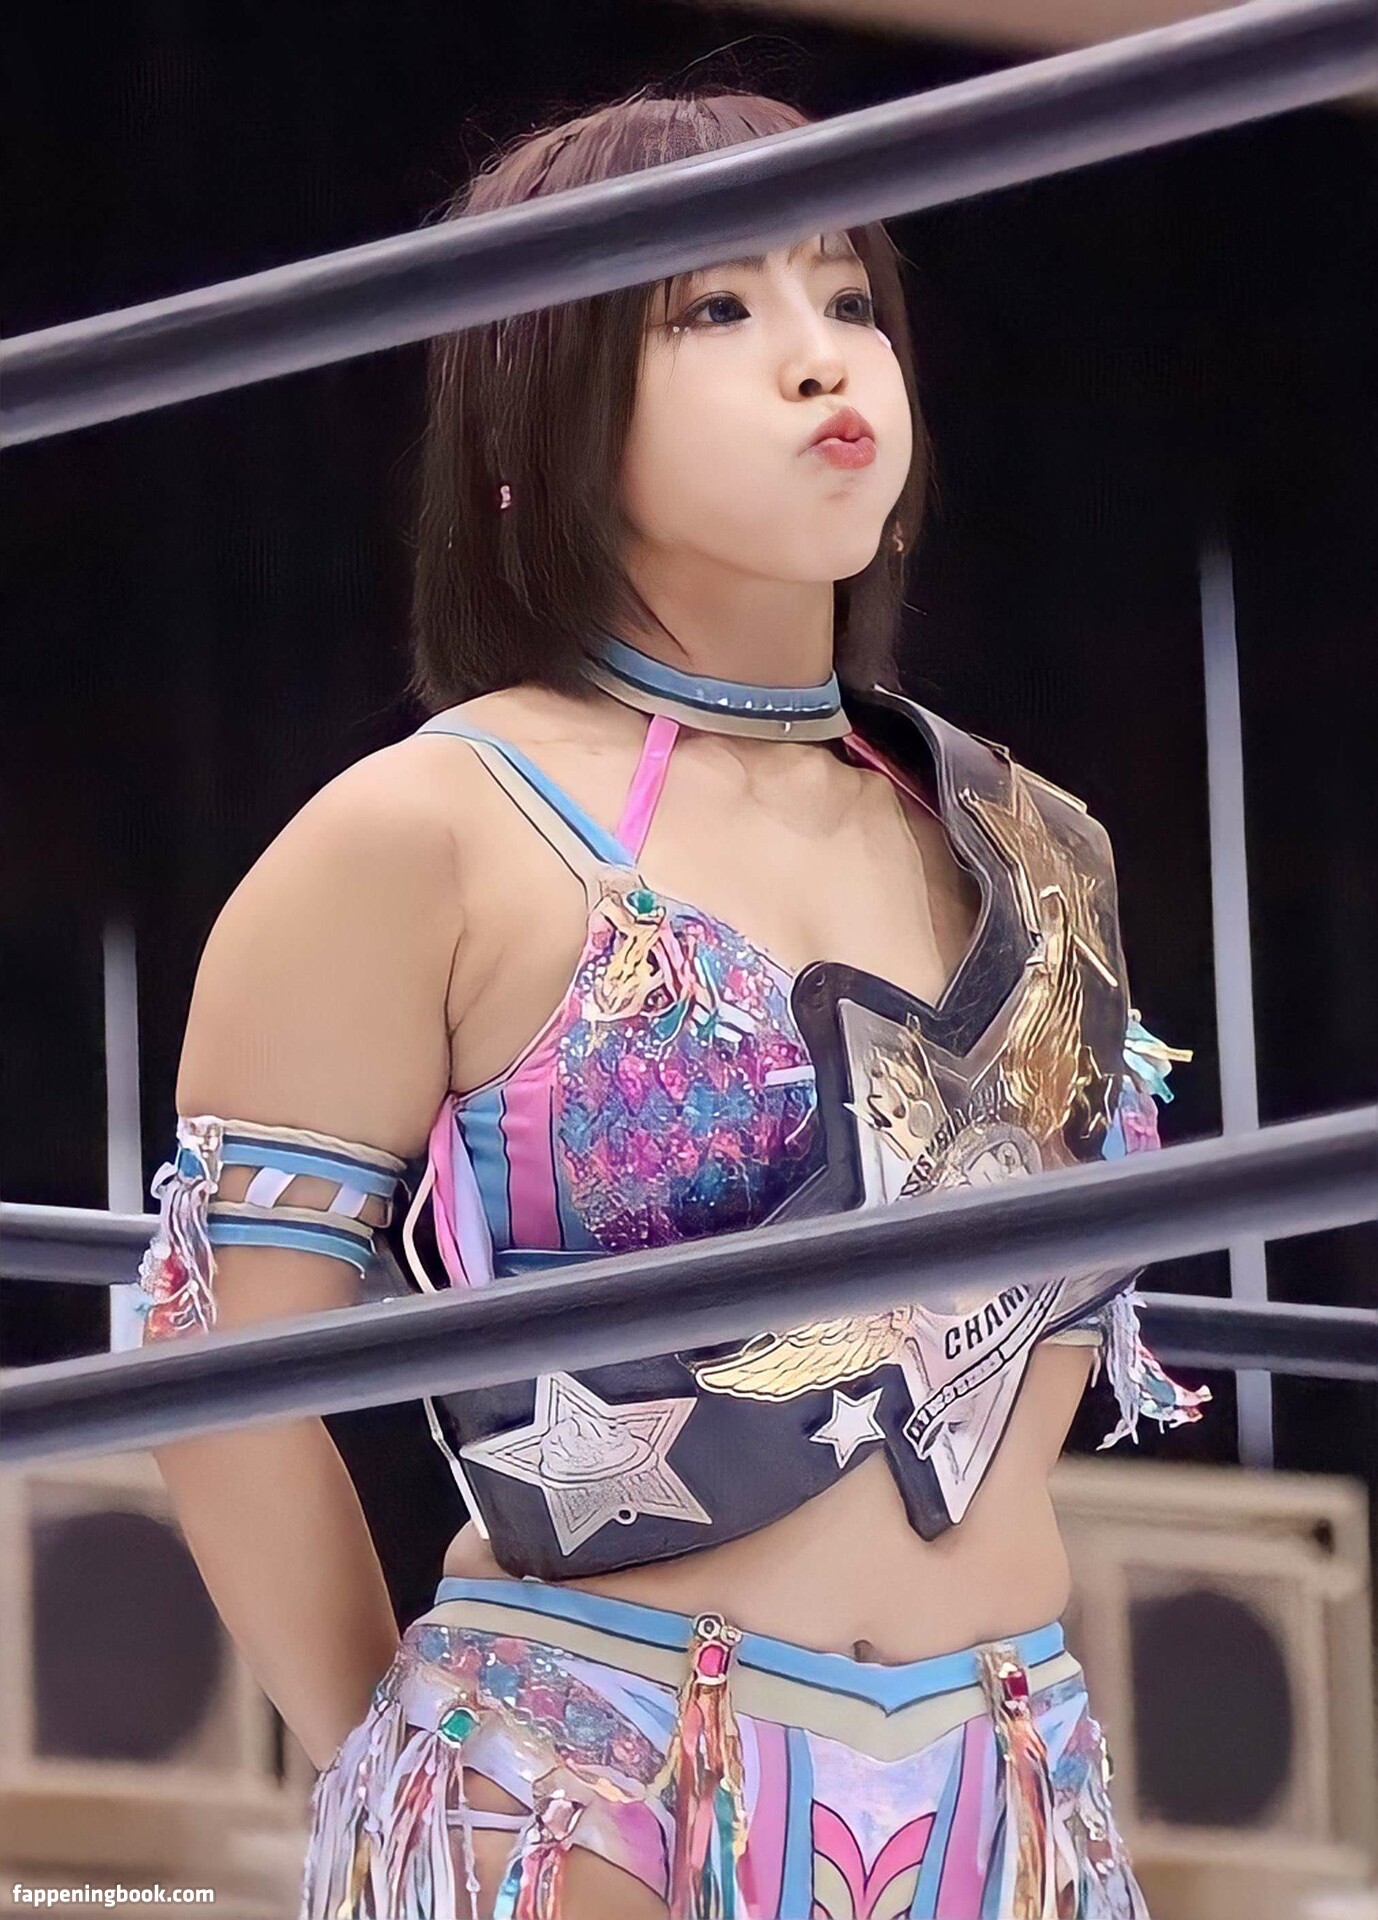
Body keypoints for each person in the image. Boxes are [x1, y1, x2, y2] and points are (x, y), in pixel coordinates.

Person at [138, 87, 1208, 1920]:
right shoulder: (428, 831)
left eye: (847, 297)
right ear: (541, 400)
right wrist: (400, 1766)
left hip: (1007, 1774)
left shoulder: (1037, 848)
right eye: (713, 307)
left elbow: (1028, 1360)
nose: (817, 356)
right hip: (580, 1783)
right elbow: (220, 1369)